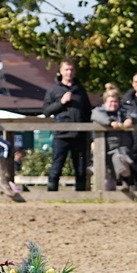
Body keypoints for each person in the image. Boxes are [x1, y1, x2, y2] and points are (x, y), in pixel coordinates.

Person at [42, 59, 92, 191]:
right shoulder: (54, 90)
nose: (69, 72)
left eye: (71, 70)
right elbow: (46, 111)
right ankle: (52, 194)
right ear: (60, 71)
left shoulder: (80, 90)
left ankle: (81, 195)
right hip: (61, 135)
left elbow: (88, 111)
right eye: (66, 69)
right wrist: (61, 102)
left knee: (81, 167)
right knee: (57, 166)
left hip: (79, 135)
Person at [91, 86, 137, 190]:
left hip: (122, 148)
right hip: (104, 148)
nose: (113, 104)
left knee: (122, 161)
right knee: (107, 177)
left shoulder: (124, 111)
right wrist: (111, 122)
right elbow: (95, 115)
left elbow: (135, 114)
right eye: (111, 101)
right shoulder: (99, 111)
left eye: (115, 101)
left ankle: (126, 183)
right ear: (105, 102)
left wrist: (130, 119)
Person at [124, 73, 137, 190]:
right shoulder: (128, 100)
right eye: (136, 82)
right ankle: (136, 185)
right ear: (133, 84)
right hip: (134, 135)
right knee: (134, 157)